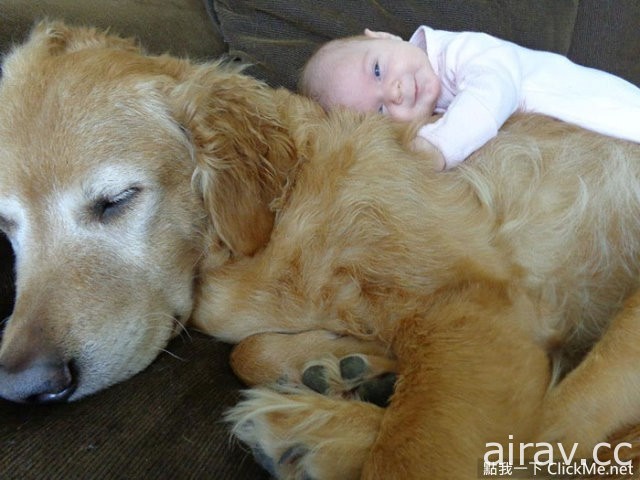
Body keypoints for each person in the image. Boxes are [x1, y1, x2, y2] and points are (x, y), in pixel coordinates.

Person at [299, 27, 640, 170]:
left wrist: (440, 146)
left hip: (618, 118)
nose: (394, 91)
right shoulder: (433, 108)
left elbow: (493, 90)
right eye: (381, 109)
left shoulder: (460, 52)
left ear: (385, 36)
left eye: (376, 70)